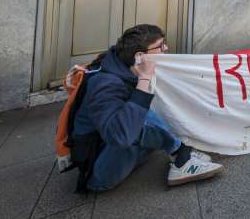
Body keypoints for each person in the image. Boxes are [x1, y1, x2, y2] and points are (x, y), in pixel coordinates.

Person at [72, 24, 223, 192]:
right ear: (140, 56)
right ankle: (181, 158)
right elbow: (121, 136)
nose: (166, 48)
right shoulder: (106, 84)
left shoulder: (122, 64)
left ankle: (178, 149)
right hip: (99, 174)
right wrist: (144, 79)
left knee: (149, 105)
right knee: (137, 113)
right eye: (160, 46)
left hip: (120, 150)